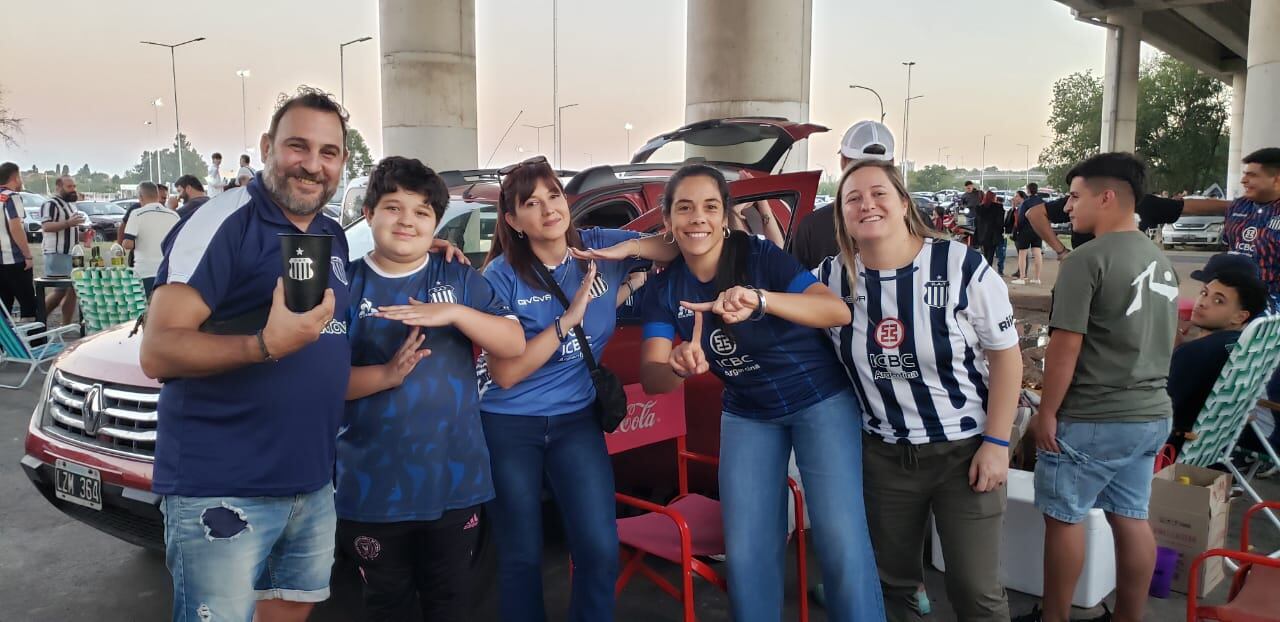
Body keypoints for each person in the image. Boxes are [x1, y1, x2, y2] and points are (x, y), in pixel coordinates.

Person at [139, 87, 355, 622]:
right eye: (297, 146)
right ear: (266, 146)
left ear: (343, 163)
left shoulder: (332, 235)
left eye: (328, 153)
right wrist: (264, 345)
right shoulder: (222, 220)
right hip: (224, 489)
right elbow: (159, 350)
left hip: (311, 485)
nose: (312, 165)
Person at [633, 163, 884, 621]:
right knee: (747, 548)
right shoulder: (664, 289)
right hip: (748, 412)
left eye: (710, 207)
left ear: (725, 215)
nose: (698, 219)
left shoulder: (758, 256)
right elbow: (653, 377)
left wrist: (760, 299)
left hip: (819, 400)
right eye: (684, 208)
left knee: (840, 539)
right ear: (667, 219)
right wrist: (678, 367)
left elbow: (835, 311)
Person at [816, 159, 1021, 621]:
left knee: (975, 590)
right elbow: (774, 297)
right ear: (842, 216)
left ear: (903, 203)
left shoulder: (959, 266)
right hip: (884, 456)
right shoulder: (828, 280)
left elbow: (1006, 356)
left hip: (963, 452)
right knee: (894, 585)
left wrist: (997, 442)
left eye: (879, 193)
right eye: (853, 198)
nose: (867, 204)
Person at [477, 155, 678, 622]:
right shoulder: (500, 277)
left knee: (599, 547)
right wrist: (567, 323)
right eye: (531, 202)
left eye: (553, 195)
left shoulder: (599, 247)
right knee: (522, 555)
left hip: (576, 422)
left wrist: (630, 252)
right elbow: (506, 375)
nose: (548, 208)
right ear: (513, 220)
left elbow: (674, 248)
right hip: (509, 425)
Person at [337, 156, 526, 621]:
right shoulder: (345, 285)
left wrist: (455, 314)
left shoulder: (458, 277)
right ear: (368, 214)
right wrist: (385, 375)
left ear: (436, 223)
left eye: (422, 212)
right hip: (372, 489)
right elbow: (322, 384)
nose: (407, 221)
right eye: (393, 207)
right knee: (387, 607)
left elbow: (514, 342)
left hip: (455, 483)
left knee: (455, 605)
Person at [1017, 153, 1178, 622]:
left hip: (1092, 418)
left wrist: (1046, 413)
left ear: (1107, 197)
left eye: (1075, 196)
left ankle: (1056, 617)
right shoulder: (1158, 259)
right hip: (1150, 415)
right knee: (1130, 518)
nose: (1068, 208)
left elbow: (1065, 347)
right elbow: (1168, 338)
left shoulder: (1086, 260)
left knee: (1064, 519)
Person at [1167, 254, 1267, 451]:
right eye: (1204, 293)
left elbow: (1164, 408)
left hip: (1172, 446)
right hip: (1219, 449)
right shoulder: (1246, 347)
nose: (1202, 302)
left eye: (1219, 301)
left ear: (1240, 316)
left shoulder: (1195, 353)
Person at [791, 120, 896, 270]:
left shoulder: (813, 226)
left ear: (843, 162)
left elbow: (794, 288)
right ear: (892, 162)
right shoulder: (919, 223)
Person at [40, 175, 85, 323]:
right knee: (60, 291)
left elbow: (69, 228)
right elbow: (46, 226)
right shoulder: (51, 204)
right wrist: (67, 223)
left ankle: (65, 324)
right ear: (59, 187)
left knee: (73, 288)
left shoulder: (71, 204)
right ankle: (39, 318)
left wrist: (83, 236)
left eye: (74, 186)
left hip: (72, 253)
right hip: (57, 253)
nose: (73, 190)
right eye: (69, 187)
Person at [122, 182, 179, 296]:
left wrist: (122, 244)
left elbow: (128, 244)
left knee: (140, 310)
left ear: (140, 197)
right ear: (158, 195)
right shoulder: (174, 215)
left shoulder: (137, 214)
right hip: (168, 272)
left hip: (144, 272)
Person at [0, 162, 37, 320]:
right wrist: (27, 255)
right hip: (15, 259)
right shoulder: (12, 197)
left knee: (4, 306)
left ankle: (5, 343)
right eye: (20, 177)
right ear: (15, 178)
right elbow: (15, 227)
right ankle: (33, 341)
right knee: (28, 304)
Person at [1011, 183, 1044, 285]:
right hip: (1038, 229)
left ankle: (1022, 277)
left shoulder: (1026, 203)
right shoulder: (1042, 202)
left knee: (1022, 253)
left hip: (1025, 230)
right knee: (1037, 253)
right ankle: (1037, 278)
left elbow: (1021, 218)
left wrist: (1018, 229)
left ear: (1028, 190)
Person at [973, 190, 1005, 267]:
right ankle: (988, 270)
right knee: (991, 254)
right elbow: (1000, 222)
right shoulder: (998, 207)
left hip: (982, 234)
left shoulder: (979, 208)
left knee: (985, 253)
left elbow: (976, 222)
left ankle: (984, 269)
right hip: (993, 235)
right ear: (993, 198)